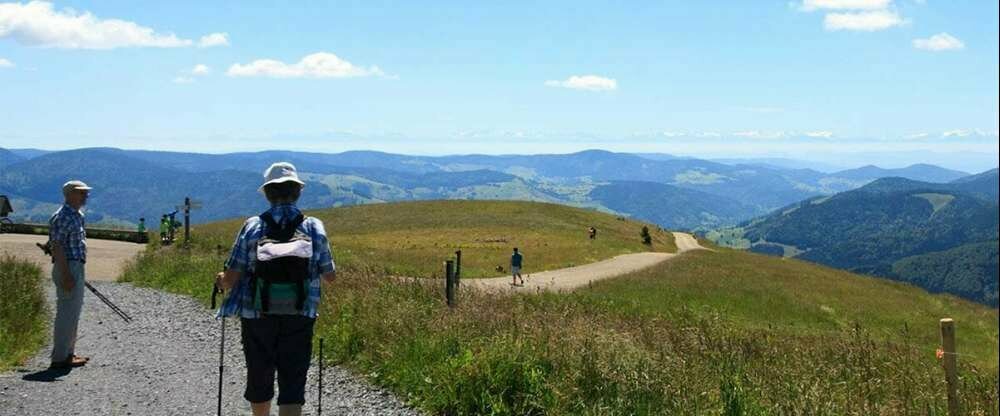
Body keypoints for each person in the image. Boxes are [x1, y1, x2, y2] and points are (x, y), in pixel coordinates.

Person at [215, 162, 336, 416]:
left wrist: (221, 280)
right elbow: (330, 276)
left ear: (268, 193)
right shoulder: (314, 227)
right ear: (298, 192)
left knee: (260, 373)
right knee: (293, 378)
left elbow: (232, 277)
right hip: (300, 314)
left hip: (257, 315)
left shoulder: (253, 226)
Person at [47, 180, 93, 369]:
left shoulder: (77, 215)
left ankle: (68, 354)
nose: (86, 196)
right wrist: (66, 275)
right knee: (67, 313)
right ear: (70, 194)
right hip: (68, 266)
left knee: (73, 313)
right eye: (81, 193)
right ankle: (60, 358)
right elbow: (57, 246)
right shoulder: (63, 216)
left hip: (75, 265)